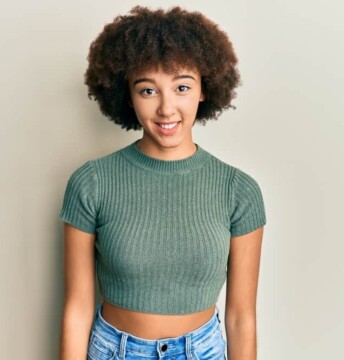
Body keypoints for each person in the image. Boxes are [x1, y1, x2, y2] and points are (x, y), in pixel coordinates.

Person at [59, 5, 266, 360]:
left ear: (204, 89)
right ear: (127, 95)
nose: (167, 109)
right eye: (148, 91)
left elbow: (241, 318)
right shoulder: (91, 183)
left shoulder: (239, 191)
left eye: (182, 87)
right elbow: (77, 309)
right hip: (114, 351)